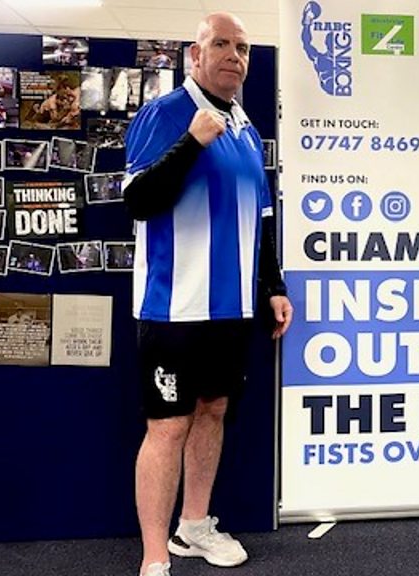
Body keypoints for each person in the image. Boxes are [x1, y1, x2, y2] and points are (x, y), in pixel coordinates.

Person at [123, 12, 293, 576]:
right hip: (173, 306)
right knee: (168, 427)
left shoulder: (245, 128)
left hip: (232, 307)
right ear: (194, 55)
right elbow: (138, 202)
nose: (233, 56)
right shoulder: (166, 113)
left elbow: (261, 221)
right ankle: (154, 557)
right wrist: (192, 143)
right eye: (221, 44)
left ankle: (193, 526)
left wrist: (273, 287)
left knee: (213, 412)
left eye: (242, 48)